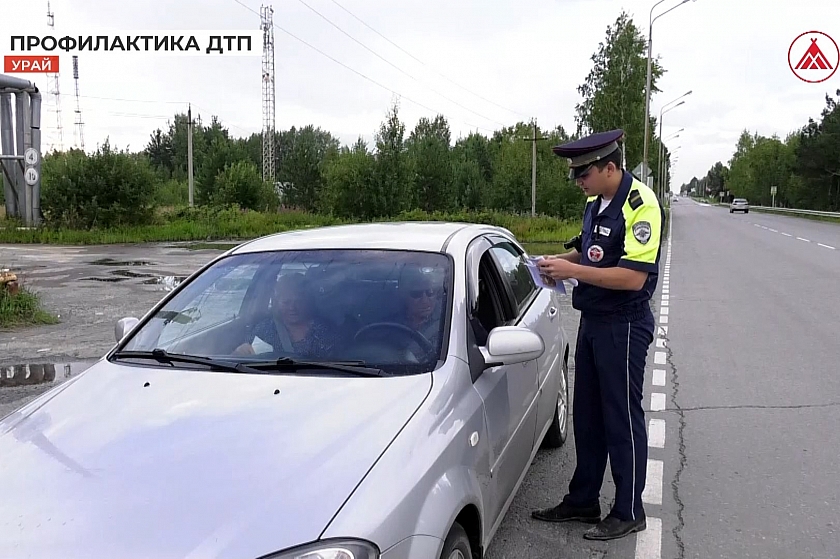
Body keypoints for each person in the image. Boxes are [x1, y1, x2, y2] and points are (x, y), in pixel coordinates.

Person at [531, 129, 664, 541]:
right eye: (575, 174)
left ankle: (628, 510)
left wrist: (572, 272)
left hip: (623, 325)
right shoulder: (596, 202)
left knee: (621, 418)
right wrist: (557, 261)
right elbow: (591, 252)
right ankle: (583, 499)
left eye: (583, 173)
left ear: (610, 167)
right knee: (586, 416)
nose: (578, 181)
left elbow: (631, 277)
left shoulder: (641, 206)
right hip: (592, 320)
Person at [233, 272, 340, 359]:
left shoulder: (325, 331)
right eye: (286, 302)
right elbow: (246, 355)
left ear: (308, 301)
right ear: (277, 302)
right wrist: (239, 353)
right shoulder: (265, 329)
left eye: (298, 302)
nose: (292, 307)